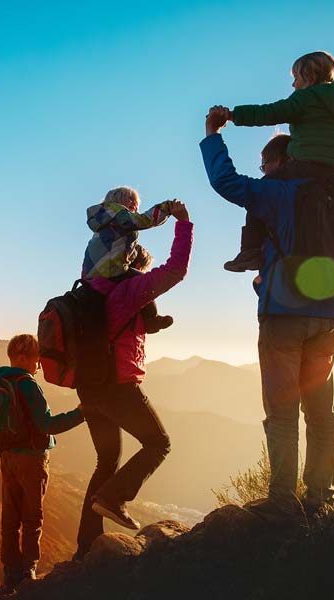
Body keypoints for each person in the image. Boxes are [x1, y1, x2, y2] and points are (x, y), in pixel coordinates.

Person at [200, 107, 334, 518]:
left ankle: (282, 501)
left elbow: (226, 182)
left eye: (265, 165)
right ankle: (321, 497)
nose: (262, 172)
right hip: (330, 316)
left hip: (283, 313)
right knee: (321, 413)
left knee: (281, 414)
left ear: (284, 160)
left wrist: (212, 135)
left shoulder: (279, 192)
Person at [73, 200, 193, 559]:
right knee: (159, 443)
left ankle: (86, 549)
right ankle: (113, 498)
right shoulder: (129, 289)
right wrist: (184, 225)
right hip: (117, 388)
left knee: (106, 461)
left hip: (88, 387)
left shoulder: (91, 288)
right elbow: (175, 271)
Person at [218, 51, 334, 271]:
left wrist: (233, 115)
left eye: (296, 78)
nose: (293, 85)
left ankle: (250, 250)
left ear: (309, 76)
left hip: (302, 167)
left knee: (259, 193)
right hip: (331, 174)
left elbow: (270, 113)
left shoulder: (304, 99)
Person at [0, 334, 85, 589]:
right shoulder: (28, 384)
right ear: (21, 357)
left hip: (8, 457)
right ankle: (28, 572)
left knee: (9, 519)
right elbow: (47, 424)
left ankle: (10, 573)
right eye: (36, 359)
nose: (39, 365)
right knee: (32, 518)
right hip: (32, 459)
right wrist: (81, 414)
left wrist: (5, 454)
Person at [83, 186, 175, 333]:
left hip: (92, 272)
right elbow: (144, 220)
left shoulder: (103, 220)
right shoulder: (119, 214)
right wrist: (166, 208)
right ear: (118, 199)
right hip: (111, 269)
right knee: (143, 281)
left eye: (137, 201)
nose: (135, 204)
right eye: (131, 199)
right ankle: (151, 318)